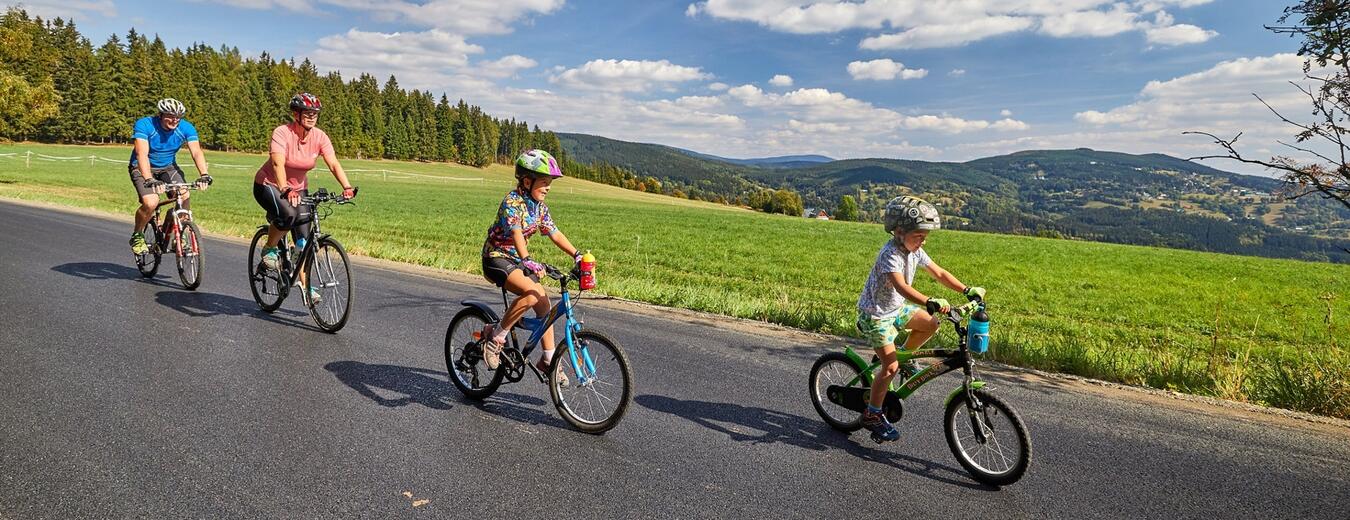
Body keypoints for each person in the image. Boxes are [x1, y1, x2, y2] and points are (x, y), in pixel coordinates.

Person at [855, 196, 985, 442]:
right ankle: (872, 414)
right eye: (919, 235)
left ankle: (903, 356)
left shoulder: (915, 250)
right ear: (900, 231)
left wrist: (967, 290)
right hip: (875, 316)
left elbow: (939, 272)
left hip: (895, 309)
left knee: (931, 323)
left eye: (925, 236)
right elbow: (902, 287)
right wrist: (929, 301)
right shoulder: (890, 254)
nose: (923, 240)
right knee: (889, 367)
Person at [479, 149, 583, 380]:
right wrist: (527, 259)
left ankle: (548, 360)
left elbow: (555, 234)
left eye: (550, 184)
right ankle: (496, 339)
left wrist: (577, 255)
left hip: (517, 261)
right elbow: (516, 233)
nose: (548, 188)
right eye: (544, 183)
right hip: (496, 257)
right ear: (527, 181)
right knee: (532, 292)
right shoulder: (512, 202)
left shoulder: (540, 208)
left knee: (545, 304)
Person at [252, 93, 356, 302]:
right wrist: (285, 189)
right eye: (307, 113)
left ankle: (307, 288)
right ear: (296, 114)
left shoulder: (320, 137)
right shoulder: (282, 133)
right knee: (288, 214)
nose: (311, 117)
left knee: (303, 241)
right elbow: (277, 164)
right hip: (269, 185)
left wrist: (346, 186)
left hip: (299, 189)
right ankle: (269, 248)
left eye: (315, 114)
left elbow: (333, 163)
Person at [128, 98, 212, 255]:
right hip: (142, 167)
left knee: (184, 195)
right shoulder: (145, 124)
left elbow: (196, 152)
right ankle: (137, 235)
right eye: (170, 116)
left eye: (178, 117)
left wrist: (204, 175)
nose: (175, 120)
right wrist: (149, 179)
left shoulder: (186, 128)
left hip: (168, 167)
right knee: (151, 202)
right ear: (160, 114)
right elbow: (141, 154)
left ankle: (177, 235)